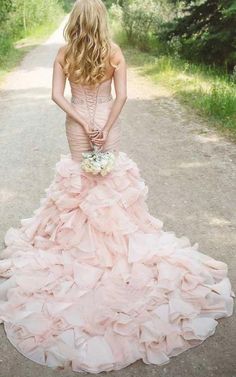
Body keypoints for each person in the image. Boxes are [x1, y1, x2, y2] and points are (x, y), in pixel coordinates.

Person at [0, 0, 234, 374]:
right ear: (102, 20)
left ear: (76, 21)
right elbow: (121, 95)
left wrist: (83, 119)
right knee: (108, 188)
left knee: (79, 187)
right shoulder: (113, 51)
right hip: (108, 122)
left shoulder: (65, 52)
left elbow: (58, 96)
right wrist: (106, 126)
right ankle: (111, 252)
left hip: (78, 126)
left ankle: (82, 250)